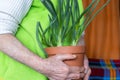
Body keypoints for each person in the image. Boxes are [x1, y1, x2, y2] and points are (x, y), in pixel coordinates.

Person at [0, 0, 91, 80]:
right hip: (17, 76)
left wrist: (81, 57)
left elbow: (77, 31)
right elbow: (2, 32)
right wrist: (45, 67)